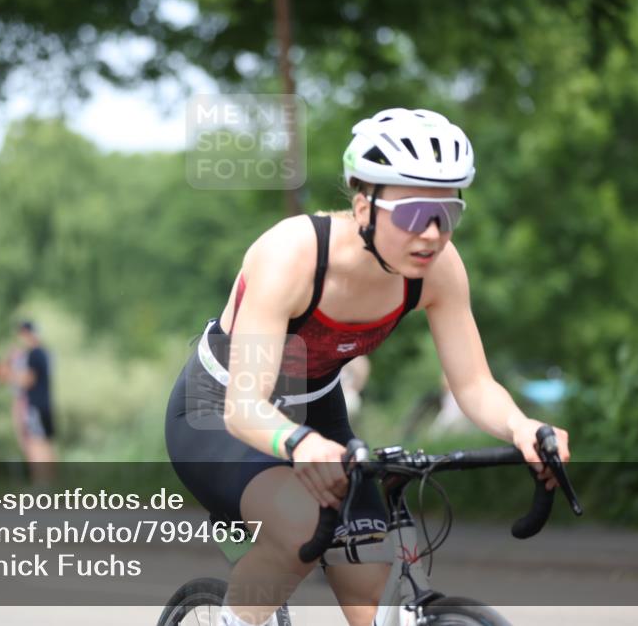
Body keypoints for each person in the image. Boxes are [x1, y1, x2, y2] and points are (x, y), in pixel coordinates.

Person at [164, 108, 571, 626]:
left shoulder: (439, 270)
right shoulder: (290, 255)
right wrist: (299, 445)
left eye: (447, 214)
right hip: (220, 411)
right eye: (412, 214)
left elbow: (472, 384)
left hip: (318, 408)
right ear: (364, 206)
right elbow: (246, 408)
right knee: (298, 531)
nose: (431, 233)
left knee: (372, 577)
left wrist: (522, 427)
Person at [17, 321, 57, 482]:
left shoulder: (33, 354)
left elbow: (28, 380)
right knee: (47, 444)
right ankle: (52, 484)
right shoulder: (45, 353)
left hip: (35, 406)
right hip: (46, 404)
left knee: (35, 443)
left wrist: (11, 375)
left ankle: (42, 485)